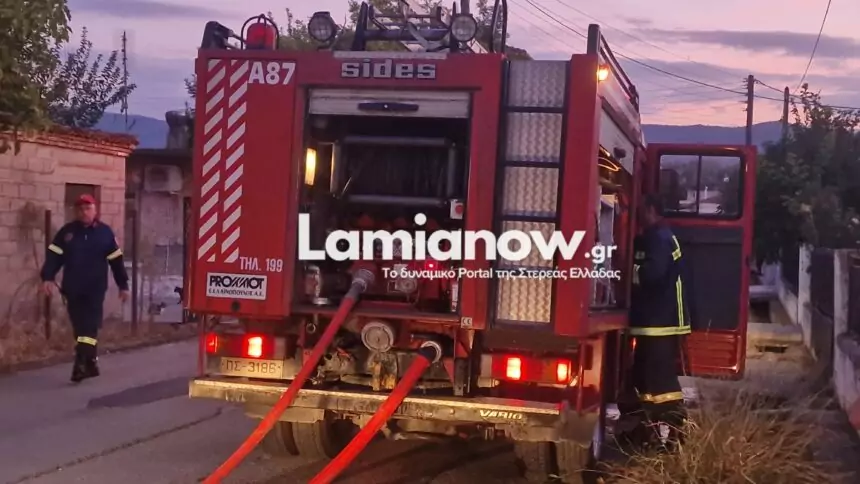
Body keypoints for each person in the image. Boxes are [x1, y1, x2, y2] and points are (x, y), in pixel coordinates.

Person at [623, 193, 691, 449]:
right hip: (654, 322)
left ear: (652, 209)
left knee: (660, 380)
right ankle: (649, 434)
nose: (638, 214)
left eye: (642, 209)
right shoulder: (656, 237)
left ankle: (676, 434)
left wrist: (625, 270)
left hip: (660, 323)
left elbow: (652, 274)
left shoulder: (660, 239)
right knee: (644, 378)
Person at [40, 194, 130, 382]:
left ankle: (80, 364)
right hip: (72, 287)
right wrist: (47, 277)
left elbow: (116, 261)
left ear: (95, 210)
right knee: (80, 327)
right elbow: (54, 256)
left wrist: (123, 285)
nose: (84, 212)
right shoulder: (67, 233)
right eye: (80, 209)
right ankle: (91, 363)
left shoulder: (105, 233)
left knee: (89, 325)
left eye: (88, 208)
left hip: (95, 288)